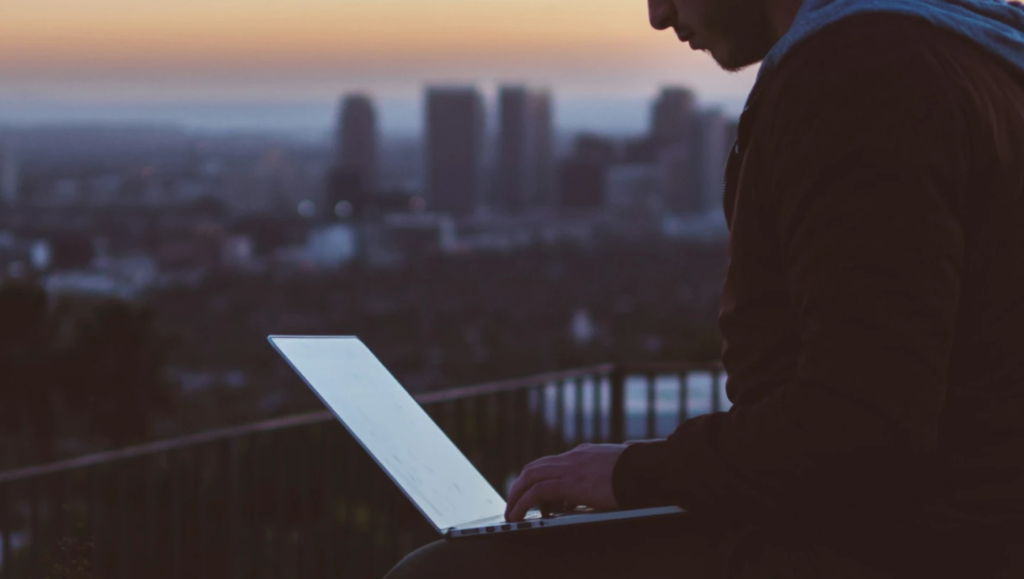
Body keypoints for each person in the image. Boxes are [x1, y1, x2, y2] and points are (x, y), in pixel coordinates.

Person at [386, 0, 1024, 576]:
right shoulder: (979, 51)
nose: (658, 15)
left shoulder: (860, 74)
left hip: (898, 545)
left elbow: (862, 422)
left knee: (443, 574)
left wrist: (636, 475)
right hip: (961, 530)